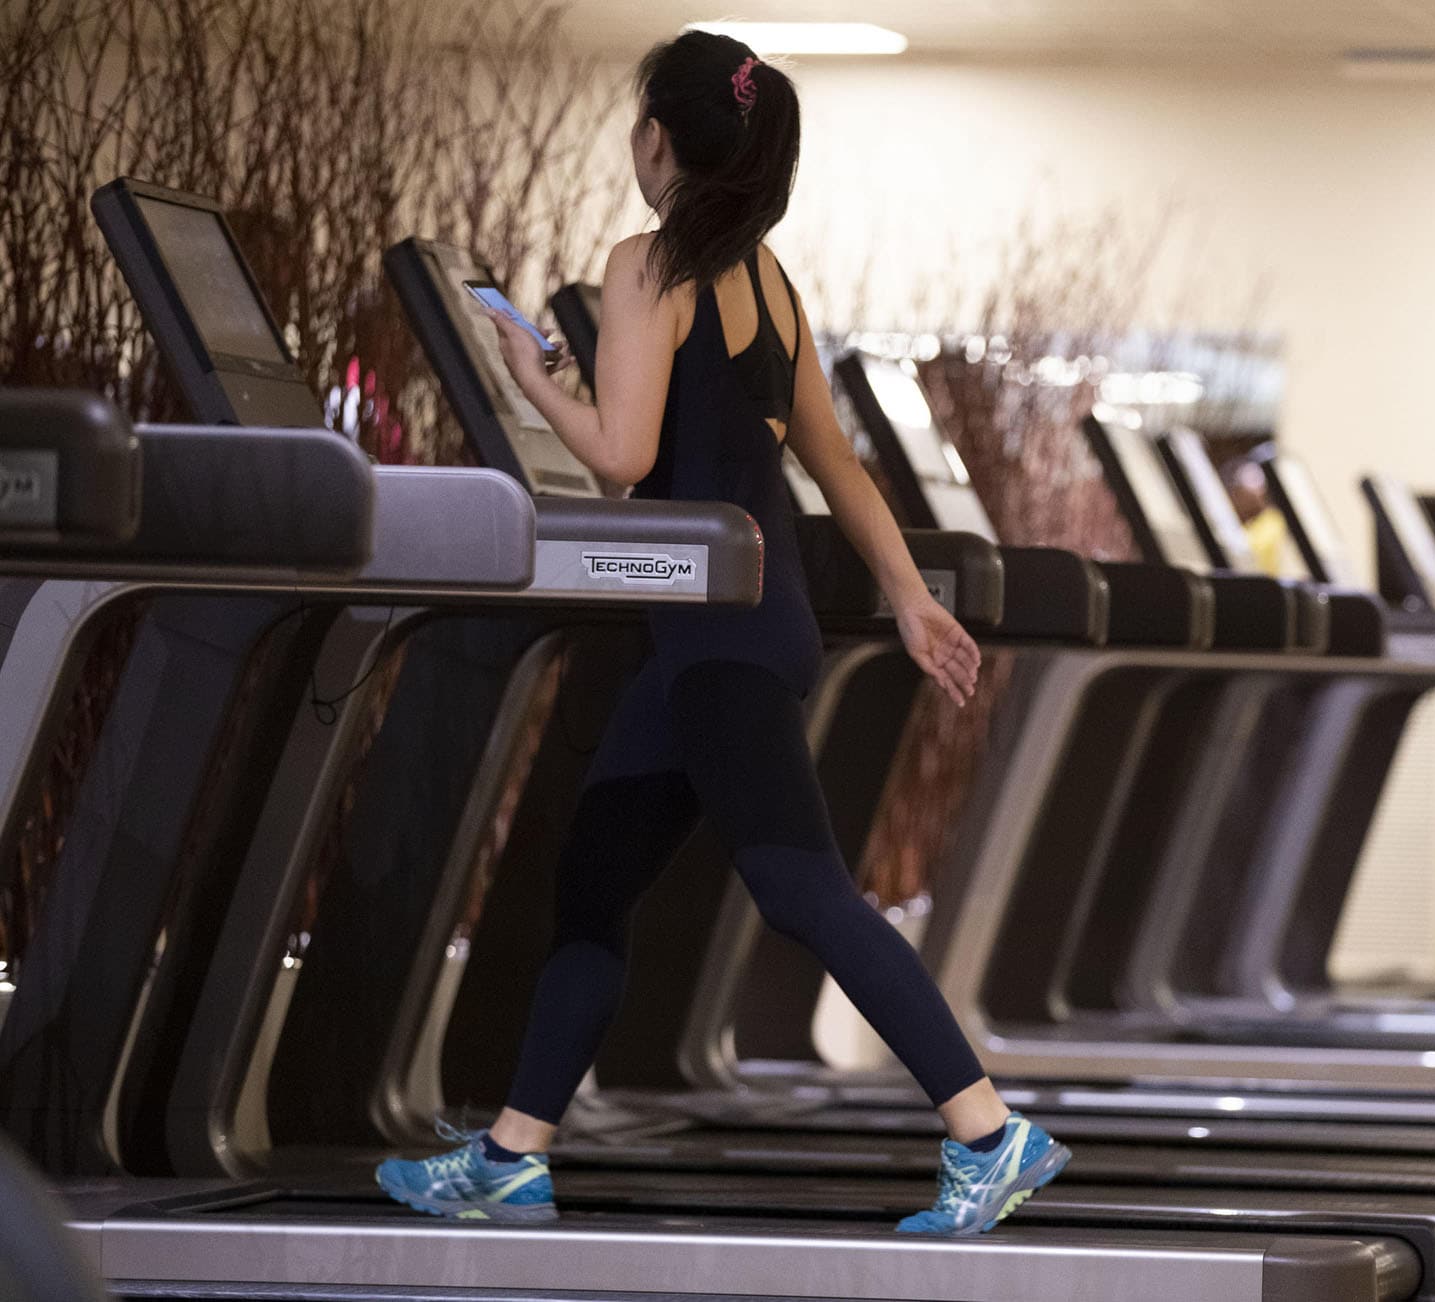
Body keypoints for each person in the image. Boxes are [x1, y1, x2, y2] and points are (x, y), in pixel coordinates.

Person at [374, 31, 1068, 1233]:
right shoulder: (764, 276)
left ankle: (988, 1131)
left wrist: (529, 372)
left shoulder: (649, 263)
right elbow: (831, 458)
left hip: (717, 641)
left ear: (659, 137)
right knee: (592, 883)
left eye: (637, 124)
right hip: (751, 627)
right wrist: (908, 597)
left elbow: (621, 457)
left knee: (805, 892)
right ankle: (513, 1155)